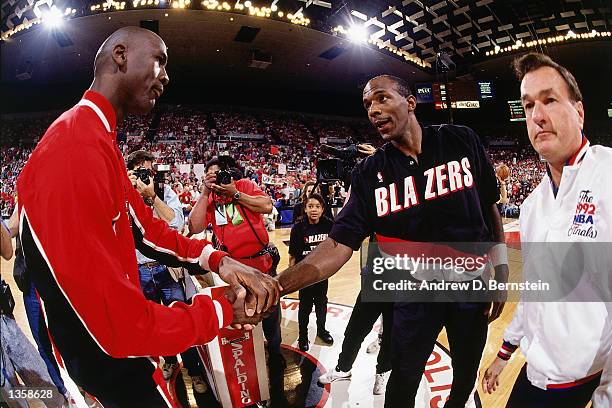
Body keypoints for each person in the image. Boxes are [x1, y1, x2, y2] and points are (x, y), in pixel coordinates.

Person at [16, 26, 279, 407]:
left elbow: (148, 230)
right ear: (119, 55)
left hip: (119, 354)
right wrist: (221, 308)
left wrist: (217, 260)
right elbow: (118, 326)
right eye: (160, 60)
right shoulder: (74, 149)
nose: (166, 76)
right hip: (110, 363)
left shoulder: (97, 138)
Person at [276, 74, 509, 408]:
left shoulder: (461, 140)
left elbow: (489, 206)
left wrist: (500, 271)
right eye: (368, 104)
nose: (373, 110)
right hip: (413, 296)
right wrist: (278, 285)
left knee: (466, 371)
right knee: (402, 380)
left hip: (470, 284)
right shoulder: (369, 173)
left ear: (410, 102)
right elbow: (337, 244)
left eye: (382, 98)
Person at [481, 52, 611, 408]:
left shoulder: (608, 177)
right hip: (537, 370)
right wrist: (504, 354)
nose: (537, 115)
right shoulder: (533, 205)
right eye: (527, 106)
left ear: (579, 112)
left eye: (550, 100)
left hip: (582, 378)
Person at [188, 156, 284, 367]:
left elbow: (267, 206)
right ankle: (250, 358)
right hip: (234, 268)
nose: (216, 181)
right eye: (210, 176)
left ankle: (275, 351)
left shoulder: (245, 185)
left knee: (270, 310)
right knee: (243, 315)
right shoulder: (210, 198)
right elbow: (194, 227)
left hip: (262, 263)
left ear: (229, 173)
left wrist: (236, 194)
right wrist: (205, 192)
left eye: (219, 174)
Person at [126, 150, 208, 395]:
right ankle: (170, 360)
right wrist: (128, 192)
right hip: (139, 271)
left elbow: (176, 225)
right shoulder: (123, 196)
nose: (144, 176)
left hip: (166, 269)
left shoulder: (164, 192)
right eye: (138, 171)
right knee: (156, 325)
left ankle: (194, 371)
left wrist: (152, 198)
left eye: (148, 171)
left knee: (181, 320)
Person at [318, 234, 393, 395]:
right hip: (375, 279)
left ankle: (383, 371)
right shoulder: (380, 214)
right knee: (354, 330)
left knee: (390, 336)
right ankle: (343, 368)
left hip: (401, 283)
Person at [288, 193, 335, 351]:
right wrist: (292, 277)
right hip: (304, 275)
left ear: (322, 209)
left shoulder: (329, 225)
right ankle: (303, 336)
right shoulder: (298, 228)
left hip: (322, 274)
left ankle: (322, 330)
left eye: (317, 206)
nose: (314, 210)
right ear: (305, 209)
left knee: (322, 304)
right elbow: (293, 255)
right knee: (305, 306)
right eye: (310, 206)